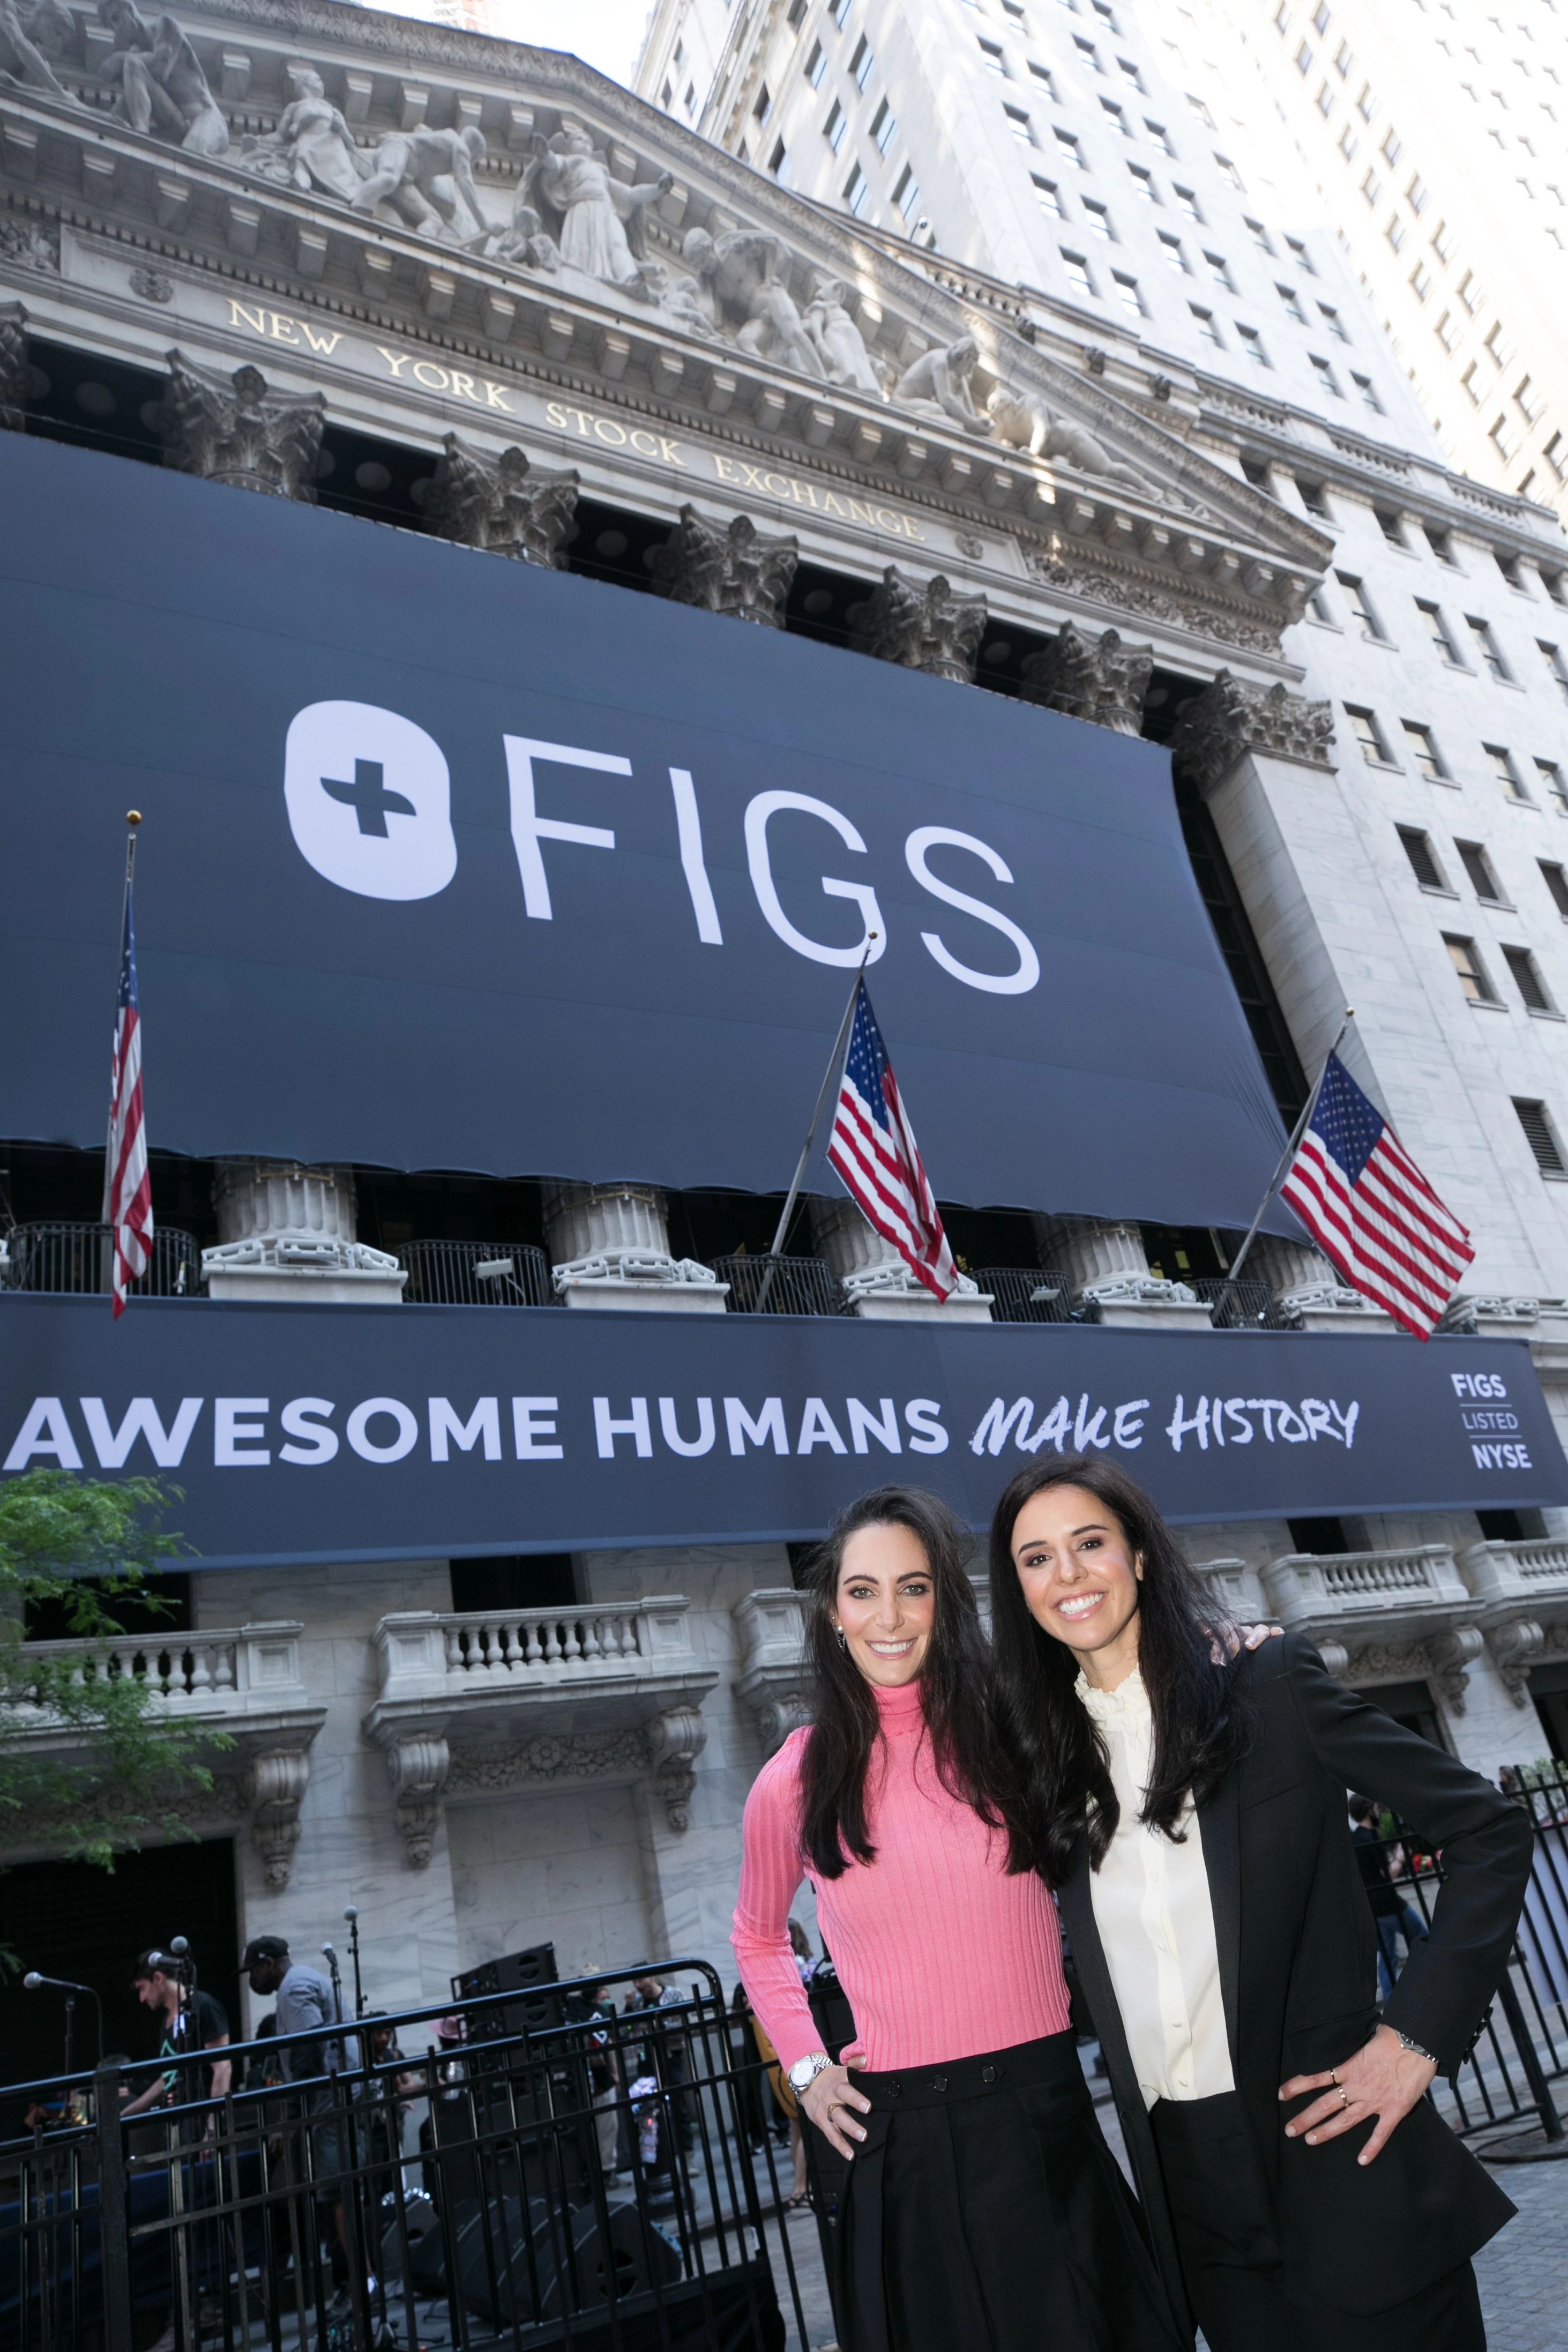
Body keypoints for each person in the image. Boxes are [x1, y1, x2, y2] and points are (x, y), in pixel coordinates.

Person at [988, 1455, 1532, 2352]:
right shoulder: (1037, 1755)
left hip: (1341, 2151)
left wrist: (1414, 2038)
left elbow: (1490, 1830)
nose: (1069, 1573)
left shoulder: (1264, 1681)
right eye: (1035, 1557)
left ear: (1140, 1555)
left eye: (1089, 1541)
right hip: (1193, 2202)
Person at [731, 1485, 1184, 2352]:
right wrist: (807, 2066)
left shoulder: (1015, 1728)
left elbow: (1137, 1695)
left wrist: (1235, 1646)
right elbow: (755, 1935)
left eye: (914, 1585)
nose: (889, 1614)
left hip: (1046, 2119)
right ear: (832, 1609)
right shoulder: (793, 1777)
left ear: (945, 1598)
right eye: (862, 1589)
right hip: (904, 2145)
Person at [123, 1951, 231, 2123]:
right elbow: (168, 2077)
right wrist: (124, 2115)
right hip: (180, 2123)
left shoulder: (204, 2006)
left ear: (158, 1978)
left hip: (203, 2117)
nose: (142, 1998)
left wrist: (213, 2127)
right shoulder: (166, 2022)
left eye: (142, 1988)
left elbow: (223, 2068)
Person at [1350, 1796, 1430, 1999]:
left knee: (1388, 1956)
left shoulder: (1355, 1838)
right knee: (1423, 1939)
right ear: (1369, 1810)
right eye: (1376, 1808)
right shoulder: (1370, 1838)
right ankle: (1425, 1987)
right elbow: (1388, 1875)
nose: (1379, 1812)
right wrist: (1400, 1857)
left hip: (1372, 1906)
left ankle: (1391, 1999)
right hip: (1389, 1904)